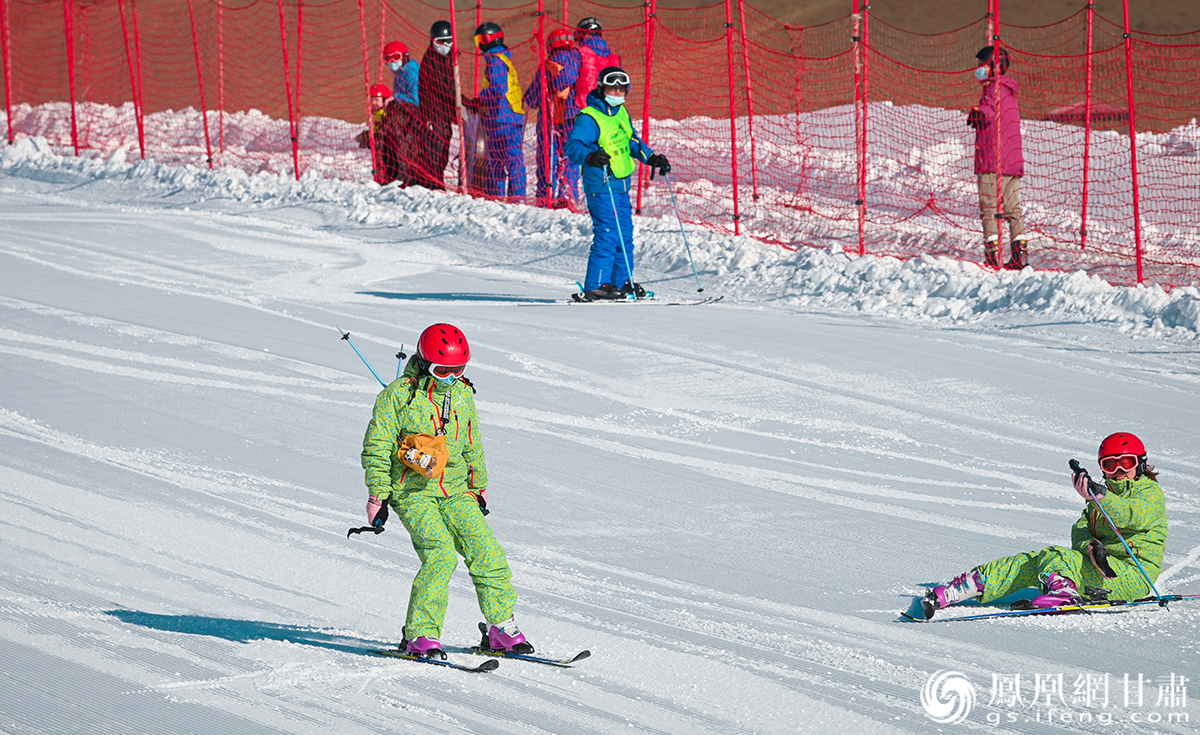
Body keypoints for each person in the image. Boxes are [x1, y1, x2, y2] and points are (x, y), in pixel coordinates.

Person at [361, 323, 533, 659]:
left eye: (459, 370)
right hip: (413, 492)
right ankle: (421, 634)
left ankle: (501, 628)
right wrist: (377, 495)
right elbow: (377, 447)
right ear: (426, 363)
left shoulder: (463, 394)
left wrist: (478, 485)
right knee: (440, 556)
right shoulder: (397, 396)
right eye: (443, 371)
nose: (452, 378)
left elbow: (471, 443)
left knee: (487, 553)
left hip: (456, 490)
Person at [922, 432, 1168, 619]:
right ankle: (960, 589)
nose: (1119, 471)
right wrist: (1091, 547)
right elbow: (1080, 530)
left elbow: (1131, 515)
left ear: (1140, 464)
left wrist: (1101, 496)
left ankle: (1065, 595)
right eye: (1110, 465)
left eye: (1126, 462)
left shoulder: (1150, 494)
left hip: (1132, 575)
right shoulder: (1098, 500)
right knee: (1033, 561)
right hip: (1102, 568)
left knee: (1056, 556)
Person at [565, 67, 670, 301]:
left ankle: (621, 283)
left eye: (621, 89)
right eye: (612, 88)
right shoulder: (589, 117)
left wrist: (651, 158)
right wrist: (590, 157)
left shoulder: (621, 112)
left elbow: (631, 141)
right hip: (601, 183)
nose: (617, 93)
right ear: (602, 88)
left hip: (621, 184)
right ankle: (595, 286)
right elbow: (573, 147)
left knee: (625, 236)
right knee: (608, 233)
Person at [967, 45, 1028, 270]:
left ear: (994, 66)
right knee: (1012, 208)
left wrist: (977, 113)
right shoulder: (1009, 90)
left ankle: (992, 253)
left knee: (989, 206)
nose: (978, 70)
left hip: (992, 159)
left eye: (981, 65)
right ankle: (1020, 253)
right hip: (1012, 160)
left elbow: (989, 110)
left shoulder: (992, 88)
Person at [462, 22, 526, 200]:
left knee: (509, 161)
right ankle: (499, 197)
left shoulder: (496, 60)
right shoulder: (499, 58)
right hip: (502, 117)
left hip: (505, 117)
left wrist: (480, 99)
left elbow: (498, 89)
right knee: (500, 161)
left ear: (495, 39)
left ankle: (514, 198)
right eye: (478, 40)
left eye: (483, 39)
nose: (481, 45)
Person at [523, 28, 580, 208]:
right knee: (570, 158)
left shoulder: (549, 65)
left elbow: (534, 98)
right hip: (575, 116)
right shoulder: (580, 60)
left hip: (551, 117)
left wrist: (526, 100)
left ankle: (545, 197)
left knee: (548, 158)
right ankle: (568, 197)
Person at [415, 21, 458, 190]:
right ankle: (433, 183)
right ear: (433, 41)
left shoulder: (446, 59)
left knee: (443, 151)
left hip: (443, 116)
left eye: (449, 41)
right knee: (435, 151)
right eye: (442, 42)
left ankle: (437, 181)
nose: (446, 46)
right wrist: (463, 102)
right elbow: (445, 89)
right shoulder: (431, 61)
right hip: (434, 116)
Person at [356, 83, 407, 185]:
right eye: (372, 100)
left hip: (391, 144)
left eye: (377, 100)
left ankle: (394, 179)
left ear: (384, 100)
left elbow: (383, 129)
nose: (374, 103)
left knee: (391, 161)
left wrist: (371, 137)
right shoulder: (377, 113)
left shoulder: (384, 113)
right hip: (384, 144)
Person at [571, 17, 620, 112]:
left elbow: (567, 80)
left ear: (581, 35)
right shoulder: (615, 58)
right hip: (609, 111)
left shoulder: (579, 53)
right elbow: (626, 86)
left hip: (582, 109)